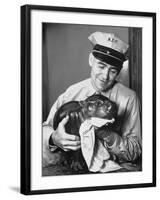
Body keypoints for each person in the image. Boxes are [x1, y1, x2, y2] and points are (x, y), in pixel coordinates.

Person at [42, 32, 142, 174]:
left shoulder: (129, 98)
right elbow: (45, 128)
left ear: (119, 72)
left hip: (113, 170)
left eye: (112, 71)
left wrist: (107, 134)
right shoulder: (73, 92)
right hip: (72, 168)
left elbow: (135, 150)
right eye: (101, 66)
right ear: (91, 60)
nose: (105, 76)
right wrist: (53, 138)